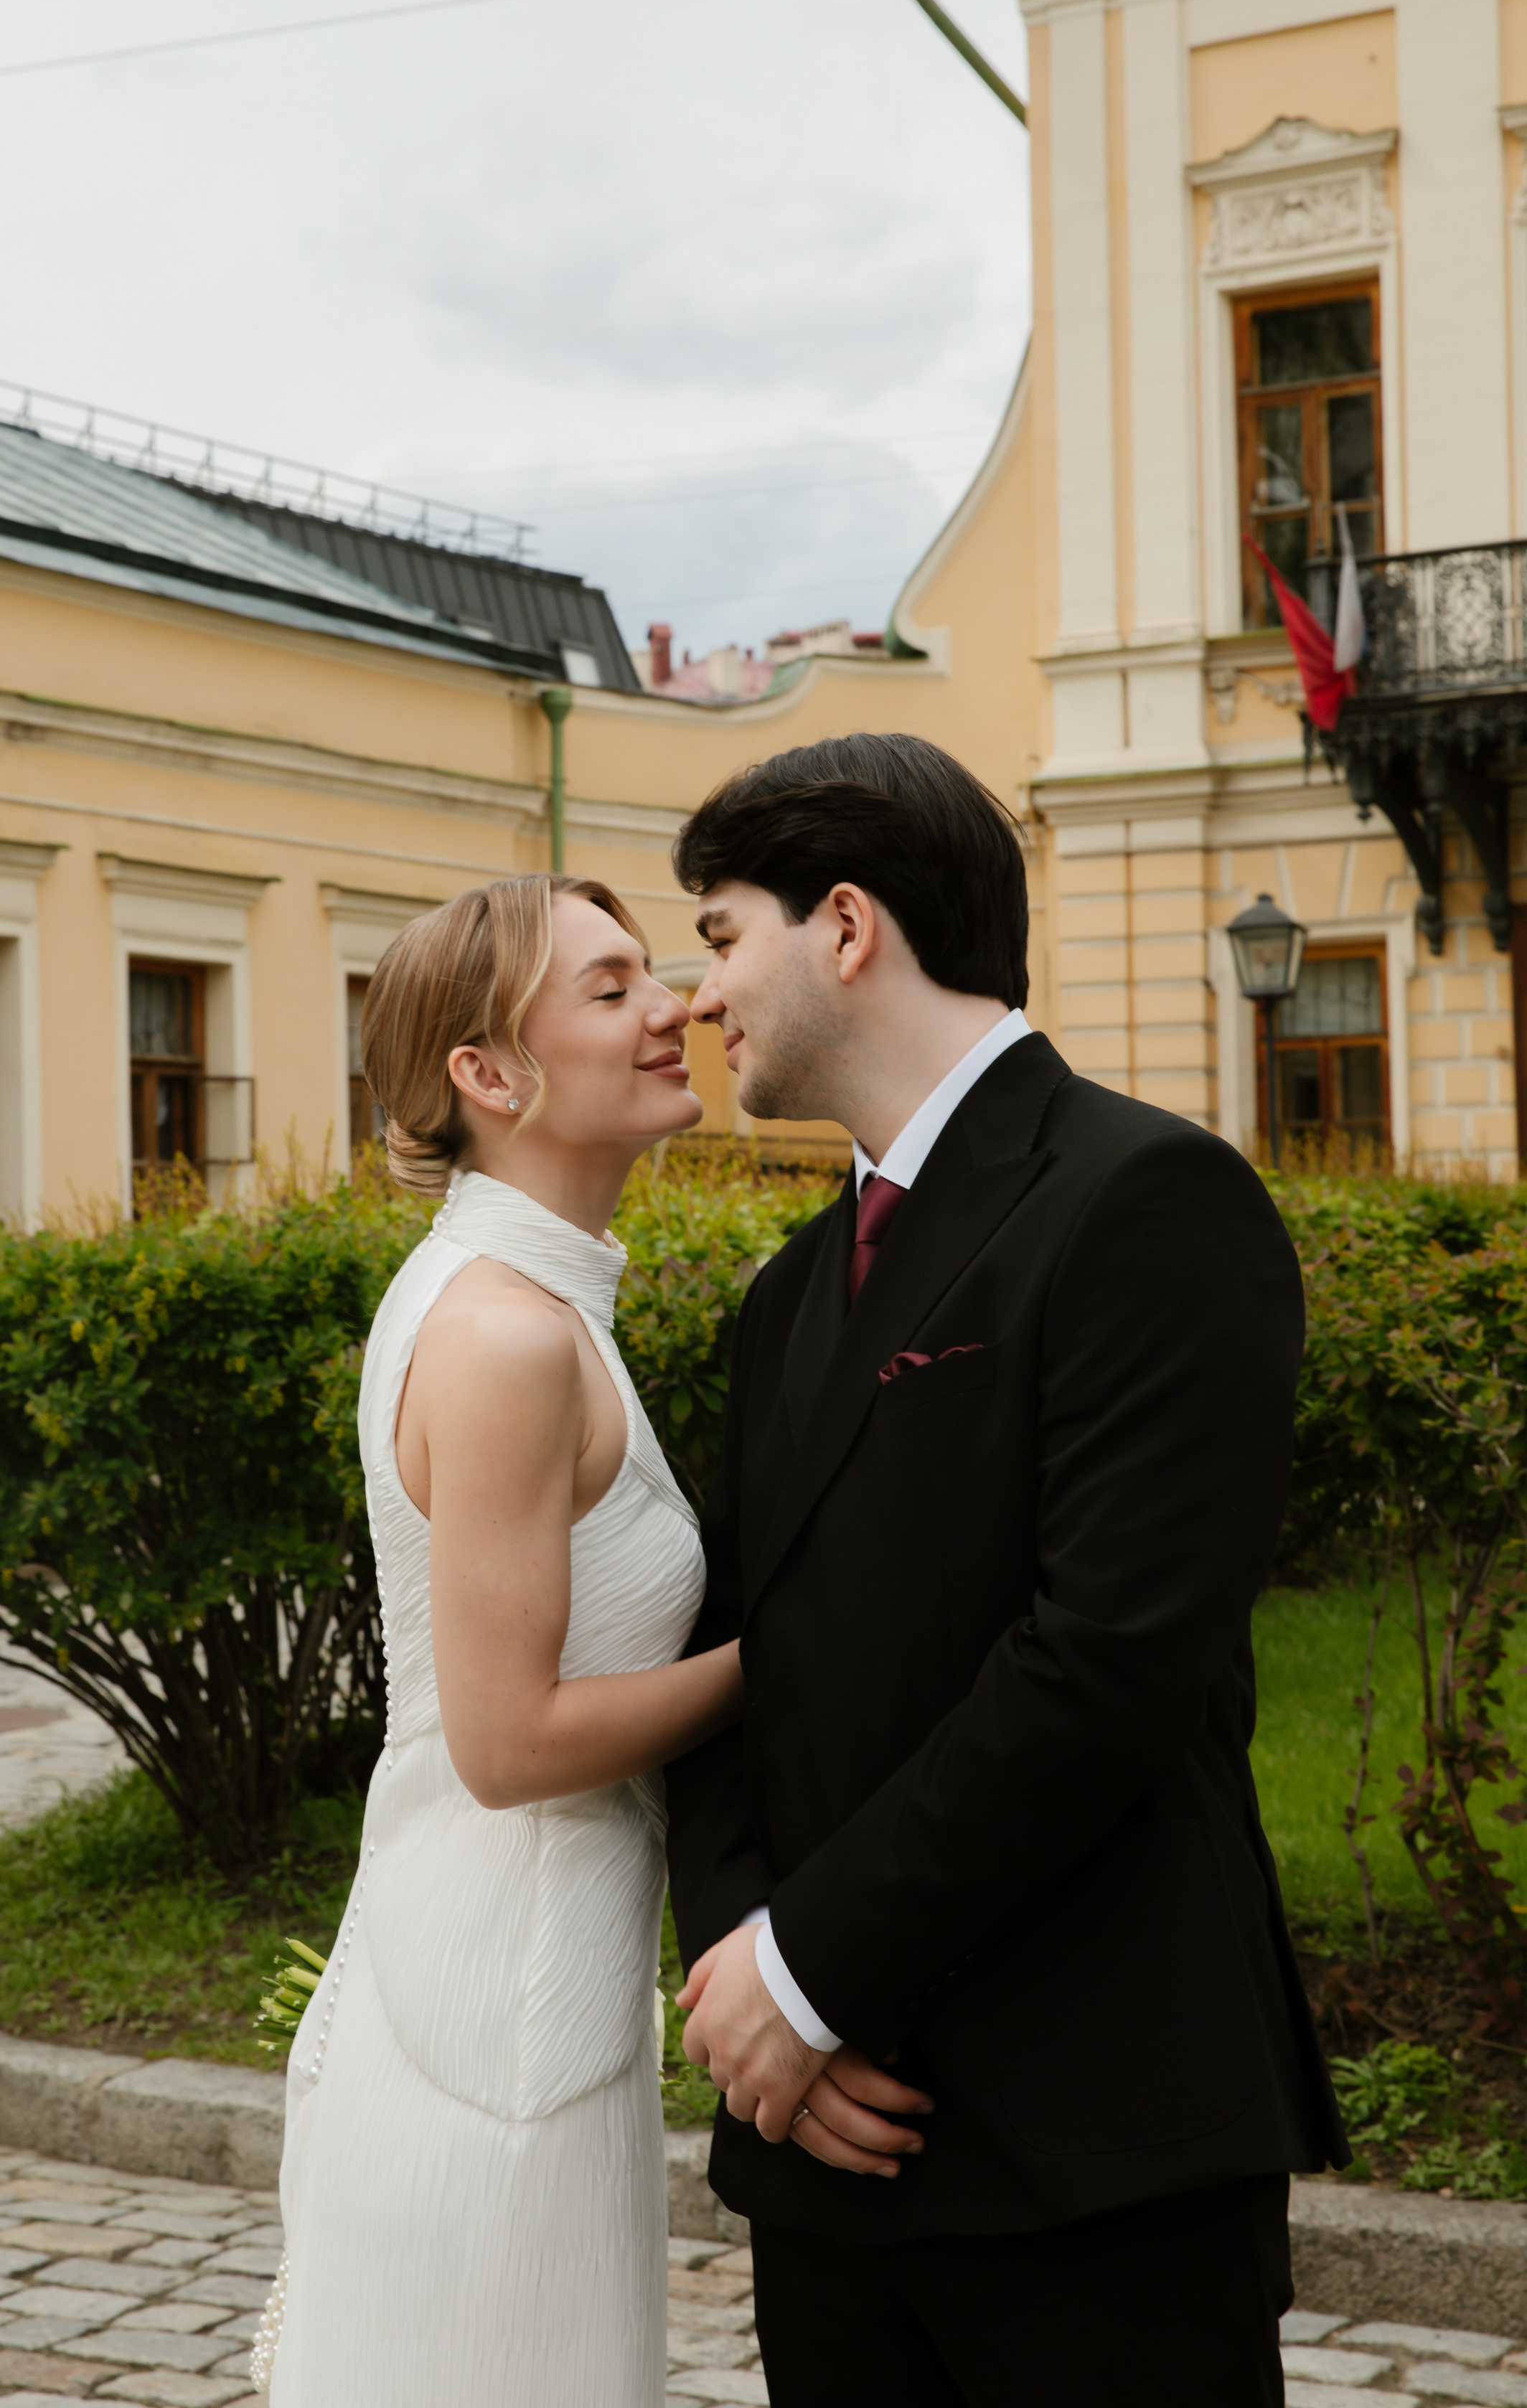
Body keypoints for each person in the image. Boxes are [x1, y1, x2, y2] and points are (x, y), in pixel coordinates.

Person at [664, 732, 1346, 2408]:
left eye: (719, 932)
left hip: (1087, 2143)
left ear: (843, 926)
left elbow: (1104, 1661)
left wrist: (810, 1971)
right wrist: (751, 1971)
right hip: (824, 2149)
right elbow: (731, 1656)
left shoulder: (1144, 1199)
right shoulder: (787, 1290)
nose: (700, 996)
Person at [264, 872, 738, 2408]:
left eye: (654, 974)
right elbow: (510, 1741)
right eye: (609, 991)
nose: (670, 1006)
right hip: (497, 2019)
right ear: (487, 1073)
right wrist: (796, 1651)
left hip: (507, 1977)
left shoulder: (526, 1300)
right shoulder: (504, 1333)